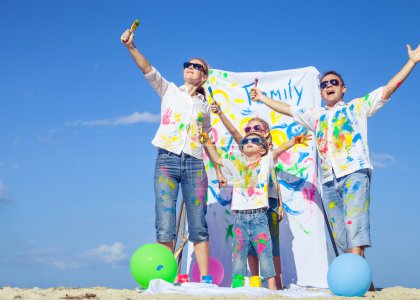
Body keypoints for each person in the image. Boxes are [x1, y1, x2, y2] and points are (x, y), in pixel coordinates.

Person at [249, 41, 420, 258]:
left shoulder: (357, 107)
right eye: (324, 84)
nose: (328, 86)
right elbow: (288, 109)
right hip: (328, 180)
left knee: (356, 229)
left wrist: (411, 62)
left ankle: (356, 278)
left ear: (343, 88)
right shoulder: (316, 115)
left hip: (354, 172)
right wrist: (261, 98)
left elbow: (388, 89)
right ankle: (360, 279)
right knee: (341, 236)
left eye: (333, 82)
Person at [120, 28, 226, 278]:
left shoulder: (204, 107)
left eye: (196, 66)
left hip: (195, 165)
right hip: (166, 161)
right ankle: (165, 275)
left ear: (203, 77)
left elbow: (206, 138)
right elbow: (147, 69)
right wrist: (131, 47)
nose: (190, 67)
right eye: (187, 64)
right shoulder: (168, 90)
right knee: (165, 221)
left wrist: (219, 169)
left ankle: (205, 279)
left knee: (198, 223)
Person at [201, 128, 311, 290]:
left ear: (263, 150)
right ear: (241, 148)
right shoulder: (237, 164)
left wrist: (294, 141)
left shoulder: (266, 161)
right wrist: (207, 142)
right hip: (240, 218)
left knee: (265, 253)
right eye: (245, 142)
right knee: (238, 254)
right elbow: (217, 159)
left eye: (255, 141)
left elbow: (279, 150)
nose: (249, 143)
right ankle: (237, 287)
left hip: (259, 216)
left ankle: (272, 288)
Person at [210, 102, 284, 289]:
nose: (251, 132)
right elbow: (234, 132)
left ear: (266, 132)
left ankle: (277, 284)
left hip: (270, 201)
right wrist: (220, 114)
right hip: (245, 207)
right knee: (249, 246)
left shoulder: (267, 155)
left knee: (269, 245)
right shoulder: (247, 150)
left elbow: (276, 183)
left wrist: (281, 204)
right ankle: (254, 280)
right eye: (248, 129)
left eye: (257, 127)